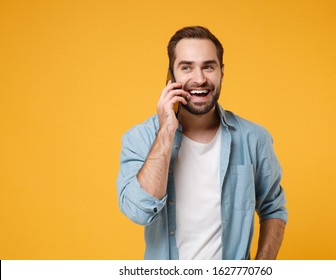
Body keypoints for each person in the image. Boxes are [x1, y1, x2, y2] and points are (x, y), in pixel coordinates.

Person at [116, 26, 287, 260]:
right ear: (170, 77)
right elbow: (138, 212)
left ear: (222, 73)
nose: (199, 79)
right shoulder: (140, 138)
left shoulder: (253, 138)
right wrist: (166, 129)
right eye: (186, 67)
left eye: (208, 66)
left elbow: (273, 208)